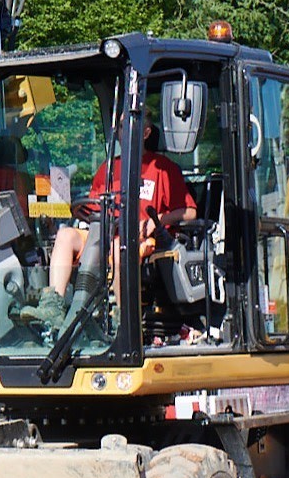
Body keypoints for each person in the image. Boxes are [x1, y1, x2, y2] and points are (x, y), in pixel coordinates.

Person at [22, 122, 194, 327]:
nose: (122, 131)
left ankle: (123, 321)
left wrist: (156, 221)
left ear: (146, 132)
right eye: (120, 126)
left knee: (119, 247)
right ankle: (53, 307)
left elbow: (190, 212)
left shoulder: (162, 168)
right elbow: (95, 206)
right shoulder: (108, 168)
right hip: (105, 234)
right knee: (65, 235)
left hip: (142, 238)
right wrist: (83, 212)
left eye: (128, 124)